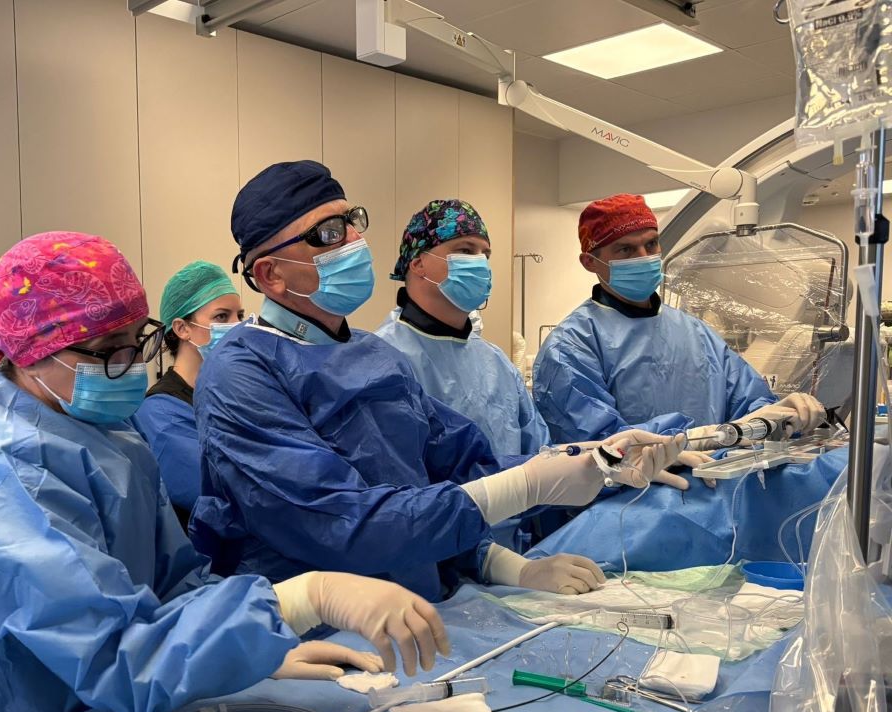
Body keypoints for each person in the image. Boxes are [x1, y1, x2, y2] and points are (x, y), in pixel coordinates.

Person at [0, 232, 450, 712]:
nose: (127, 367)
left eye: (134, 340)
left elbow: (171, 580)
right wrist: (303, 600)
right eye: (107, 350)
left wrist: (255, 642)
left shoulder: (101, 428)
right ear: (28, 353)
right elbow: (114, 655)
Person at [190, 160, 684, 603]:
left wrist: (598, 460)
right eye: (328, 234)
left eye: (353, 224)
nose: (355, 243)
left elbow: (466, 466)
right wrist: (530, 485)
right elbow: (338, 520)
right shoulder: (240, 371)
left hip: (421, 607)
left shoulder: (373, 355)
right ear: (271, 275)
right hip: (310, 640)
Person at [532, 194, 826, 461]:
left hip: (712, 485)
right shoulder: (571, 346)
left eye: (651, 244)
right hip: (629, 504)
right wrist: (667, 452)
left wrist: (782, 415)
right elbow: (595, 447)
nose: (644, 257)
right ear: (590, 262)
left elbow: (749, 405)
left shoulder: (695, 331)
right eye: (625, 249)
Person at [374, 199, 549, 457]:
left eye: (485, 254)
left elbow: (540, 456)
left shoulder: (496, 362)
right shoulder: (383, 361)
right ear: (418, 262)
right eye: (466, 251)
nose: (480, 263)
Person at [135, 260, 243, 527]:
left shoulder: (235, 396)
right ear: (182, 328)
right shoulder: (160, 411)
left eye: (239, 316)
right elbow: (222, 494)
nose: (237, 326)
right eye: (221, 317)